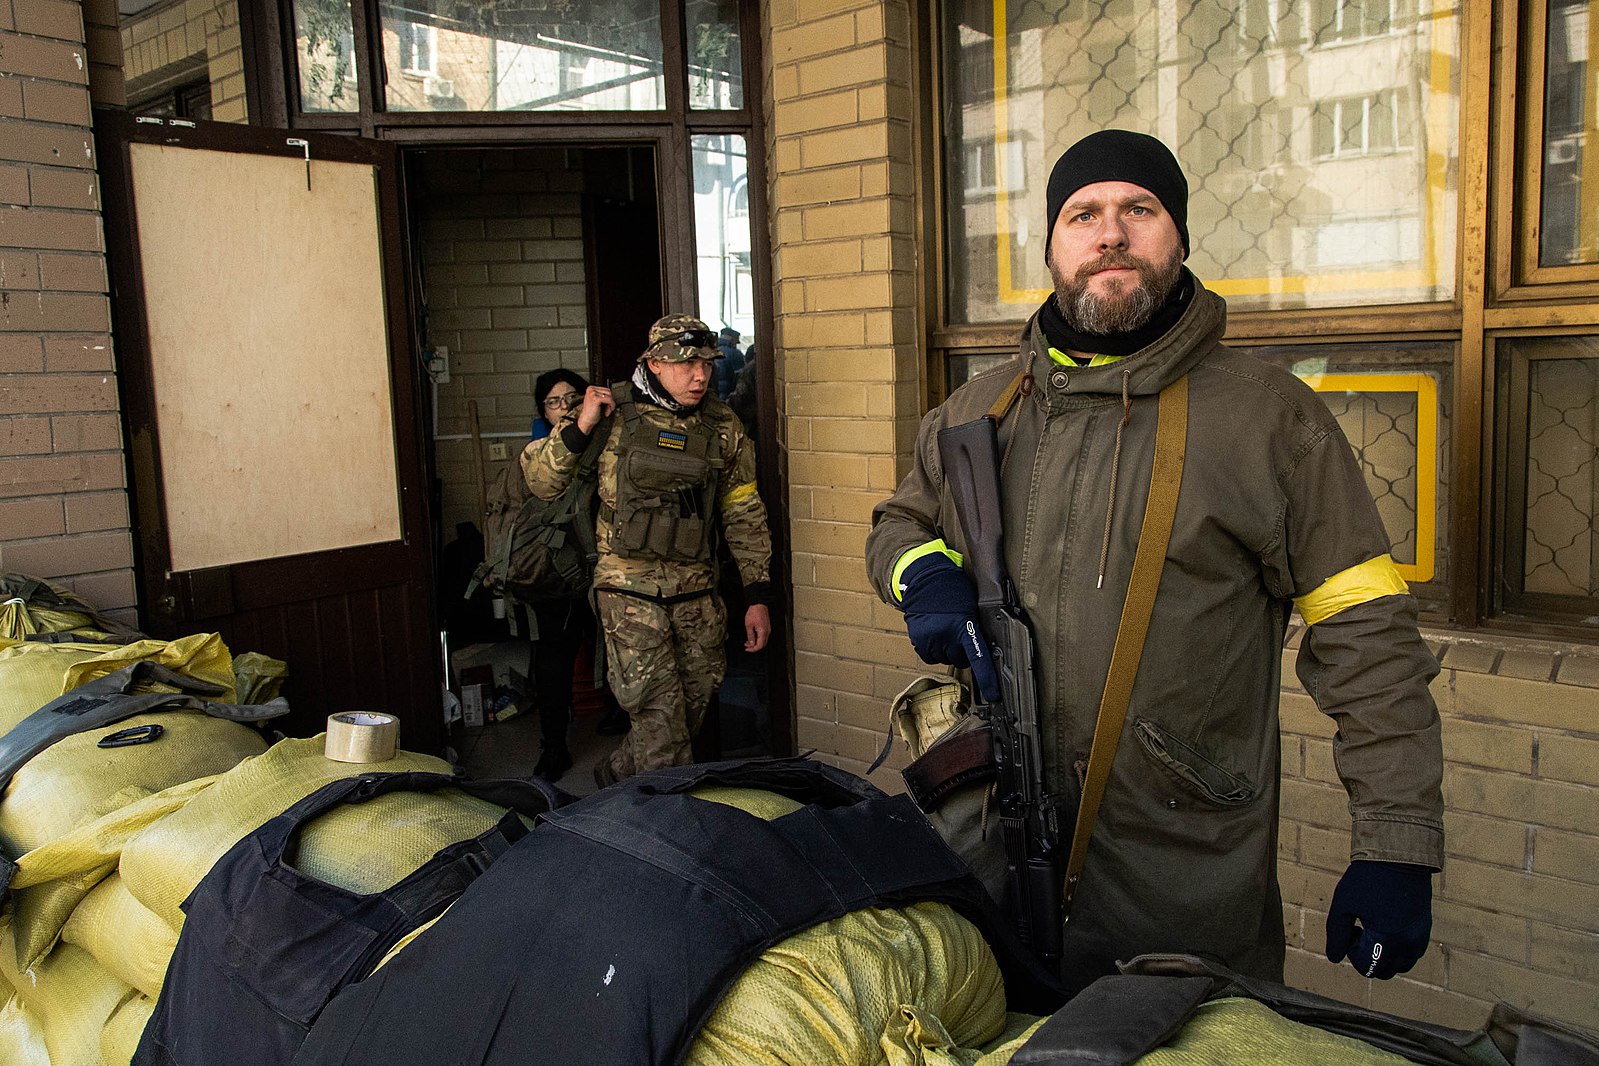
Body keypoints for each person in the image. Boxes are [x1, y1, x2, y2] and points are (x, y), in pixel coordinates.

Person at [864, 130, 1444, 993]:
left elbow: (1366, 640)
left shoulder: (1270, 421)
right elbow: (898, 520)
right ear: (1052, 247)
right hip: (992, 848)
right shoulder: (979, 408)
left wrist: (1393, 846)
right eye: (1082, 214)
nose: (1110, 234)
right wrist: (922, 573)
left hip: (1180, 875)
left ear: (1177, 235)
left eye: (1139, 209)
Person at [523, 314, 773, 786]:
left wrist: (757, 593)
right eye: (686, 364)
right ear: (655, 363)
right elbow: (541, 481)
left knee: (685, 720)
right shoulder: (609, 413)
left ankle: (614, 777)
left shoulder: (723, 426)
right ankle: (666, 834)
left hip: (697, 595)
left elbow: (743, 509)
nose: (700, 375)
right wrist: (579, 426)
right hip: (629, 595)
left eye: (706, 363)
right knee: (661, 729)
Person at [714, 327, 745, 400]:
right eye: (737, 340)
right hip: (729, 393)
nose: (738, 343)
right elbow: (740, 376)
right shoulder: (735, 353)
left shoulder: (712, 351)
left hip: (714, 391)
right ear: (732, 339)